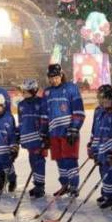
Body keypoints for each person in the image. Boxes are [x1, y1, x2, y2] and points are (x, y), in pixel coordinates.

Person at [40, 64, 85, 197]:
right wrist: (43, 132)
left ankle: (74, 186)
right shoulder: (47, 92)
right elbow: (44, 115)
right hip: (54, 132)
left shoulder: (71, 88)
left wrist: (74, 128)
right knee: (59, 159)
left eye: (56, 77)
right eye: (51, 77)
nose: (54, 80)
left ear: (61, 75)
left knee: (69, 159)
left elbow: (79, 111)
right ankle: (65, 185)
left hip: (68, 132)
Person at [17, 79, 47, 198]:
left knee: (38, 162)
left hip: (38, 138)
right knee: (32, 161)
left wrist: (45, 136)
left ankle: (40, 186)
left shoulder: (41, 102)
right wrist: (19, 134)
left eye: (25, 91)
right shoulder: (21, 104)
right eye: (23, 91)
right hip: (27, 139)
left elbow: (45, 120)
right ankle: (37, 184)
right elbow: (21, 122)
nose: (23, 93)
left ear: (33, 91)